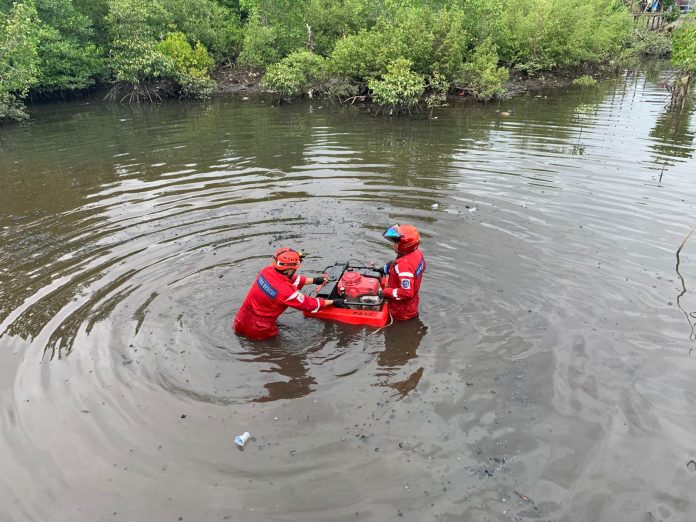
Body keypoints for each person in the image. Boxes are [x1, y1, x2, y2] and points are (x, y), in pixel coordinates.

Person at [233, 247, 345, 340]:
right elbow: (308, 304)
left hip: (241, 319)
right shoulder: (286, 292)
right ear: (289, 270)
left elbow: (289, 280)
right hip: (260, 329)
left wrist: (315, 280)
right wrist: (333, 302)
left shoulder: (267, 271)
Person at [378, 224, 426, 321]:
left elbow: (407, 293)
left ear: (405, 245)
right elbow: (421, 267)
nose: (393, 244)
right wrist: (389, 267)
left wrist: (385, 292)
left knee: (393, 333)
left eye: (396, 242)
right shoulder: (417, 253)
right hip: (412, 304)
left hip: (401, 311)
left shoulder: (404, 265)